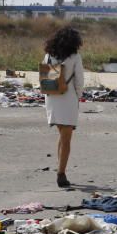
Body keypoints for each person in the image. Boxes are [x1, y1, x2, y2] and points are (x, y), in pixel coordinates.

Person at [42, 27, 85, 187]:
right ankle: (61, 174)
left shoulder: (48, 55)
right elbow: (79, 80)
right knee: (66, 139)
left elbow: (45, 77)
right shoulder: (75, 57)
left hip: (52, 97)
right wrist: (78, 97)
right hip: (68, 99)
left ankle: (60, 168)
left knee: (62, 135)